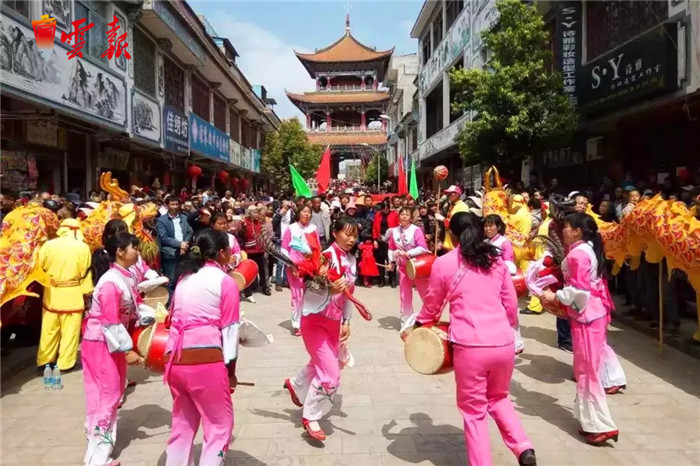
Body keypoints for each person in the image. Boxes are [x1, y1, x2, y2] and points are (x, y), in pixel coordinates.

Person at [411, 212, 536, 466]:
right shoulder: (495, 259)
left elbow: (432, 305)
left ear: (452, 235)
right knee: (499, 398)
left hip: (470, 346)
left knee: (474, 411)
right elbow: (511, 304)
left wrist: (419, 325)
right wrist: (502, 327)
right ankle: (523, 447)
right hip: (503, 343)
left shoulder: (444, 263)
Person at [540, 213, 621, 445]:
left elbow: (580, 292)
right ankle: (590, 420)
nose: (562, 231)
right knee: (586, 368)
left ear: (577, 231)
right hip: (592, 314)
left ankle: (601, 424)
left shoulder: (578, 254)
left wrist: (555, 295)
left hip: (587, 316)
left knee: (586, 370)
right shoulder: (586, 249)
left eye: (566, 227)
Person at [164, 230, 240, 465]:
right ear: (222, 253)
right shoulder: (224, 282)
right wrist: (230, 371)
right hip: (205, 360)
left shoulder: (185, 278)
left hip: (175, 359)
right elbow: (230, 331)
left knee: (182, 425)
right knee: (219, 425)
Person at [283, 216, 358, 442]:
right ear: (334, 233)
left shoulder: (350, 260)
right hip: (315, 322)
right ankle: (311, 416)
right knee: (331, 376)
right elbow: (308, 294)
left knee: (321, 363)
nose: (351, 239)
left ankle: (296, 384)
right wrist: (330, 290)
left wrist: (346, 321)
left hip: (334, 323)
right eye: (347, 234)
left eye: (354, 235)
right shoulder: (322, 258)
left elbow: (349, 294)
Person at [82, 232, 143, 466]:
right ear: (120, 251)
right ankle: (98, 457)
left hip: (106, 341)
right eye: (134, 248)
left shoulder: (122, 276)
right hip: (102, 342)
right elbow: (110, 322)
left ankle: (95, 445)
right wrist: (127, 350)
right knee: (107, 396)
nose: (137, 252)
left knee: (105, 395)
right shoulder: (110, 282)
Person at [36, 218, 93, 373]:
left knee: (49, 329)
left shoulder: (48, 245)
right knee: (70, 331)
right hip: (73, 292)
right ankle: (65, 363)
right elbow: (85, 271)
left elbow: (40, 267)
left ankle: (44, 361)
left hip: (51, 294)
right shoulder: (83, 247)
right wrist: (87, 292)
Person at [483, 214, 524, 356]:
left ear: (498, 227)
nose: (488, 229)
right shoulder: (485, 242)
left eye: (491, 225)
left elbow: (510, 265)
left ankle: (516, 343)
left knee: (509, 312)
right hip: (489, 282)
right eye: (486, 226)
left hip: (503, 282)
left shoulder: (504, 243)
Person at [281, 204, 321, 335]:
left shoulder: (313, 228)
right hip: (295, 267)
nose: (306, 214)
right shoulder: (291, 228)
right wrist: (291, 264)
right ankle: (297, 323)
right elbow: (284, 249)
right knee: (297, 295)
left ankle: (308, 321)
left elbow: (318, 248)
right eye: (304, 211)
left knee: (310, 295)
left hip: (310, 266)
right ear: (298, 213)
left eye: (309, 212)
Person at [388, 207, 430, 324]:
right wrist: (392, 262)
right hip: (403, 267)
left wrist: (408, 253)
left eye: (407, 215)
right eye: (402, 214)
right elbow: (391, 248)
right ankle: (407, 321)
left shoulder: (416, 230)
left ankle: (430, 317)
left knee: (425, 293)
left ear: (411, 218)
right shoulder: (394, 231)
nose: (404, 217)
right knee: (404, 295)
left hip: (418, 266)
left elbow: (423, 248)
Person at [156, 197, 193, 300]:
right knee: (171, 280)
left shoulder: (184, 218)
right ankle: (170, 302)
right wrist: (179, 244)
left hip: (184, 252)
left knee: (184, 278)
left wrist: (185, 243)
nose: (175, 207)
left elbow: (189, 231)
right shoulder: (162, 220)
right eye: (172, 204)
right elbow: (164, 237)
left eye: (176, 204)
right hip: (170, 254)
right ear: (167, 205)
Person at [242, 205, 271, 302]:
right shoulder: (244, 222)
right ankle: (251, 286)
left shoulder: (258, 222)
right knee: (250, 269)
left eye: (257, 212)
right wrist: (242, 227)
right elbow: (241, 234)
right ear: (249, 213)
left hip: (259, 249)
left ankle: (265, 286)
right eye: (254, 212)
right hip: (249, 249)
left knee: (262, 269)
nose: (256, 214)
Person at [372, 201, 399, 287]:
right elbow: (374, 228)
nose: (386, 209)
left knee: (391, 260)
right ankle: (381, 280)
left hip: (391, 240)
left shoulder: (394, 214)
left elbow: (398, 226)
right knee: (380, 260)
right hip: (380, 239)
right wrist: (375, 240)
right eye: (384, 208)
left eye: (387, 208)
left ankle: (392, 280)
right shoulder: (378, 215)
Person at [441, 185, 469, 251]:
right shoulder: (451, 205)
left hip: (456, 244)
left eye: (451, 194)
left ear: (457, 194)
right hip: (448, 242)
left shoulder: (462, 206)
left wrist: (443, 219)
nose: (448, 196)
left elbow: (460, 225)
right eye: (448, 194)